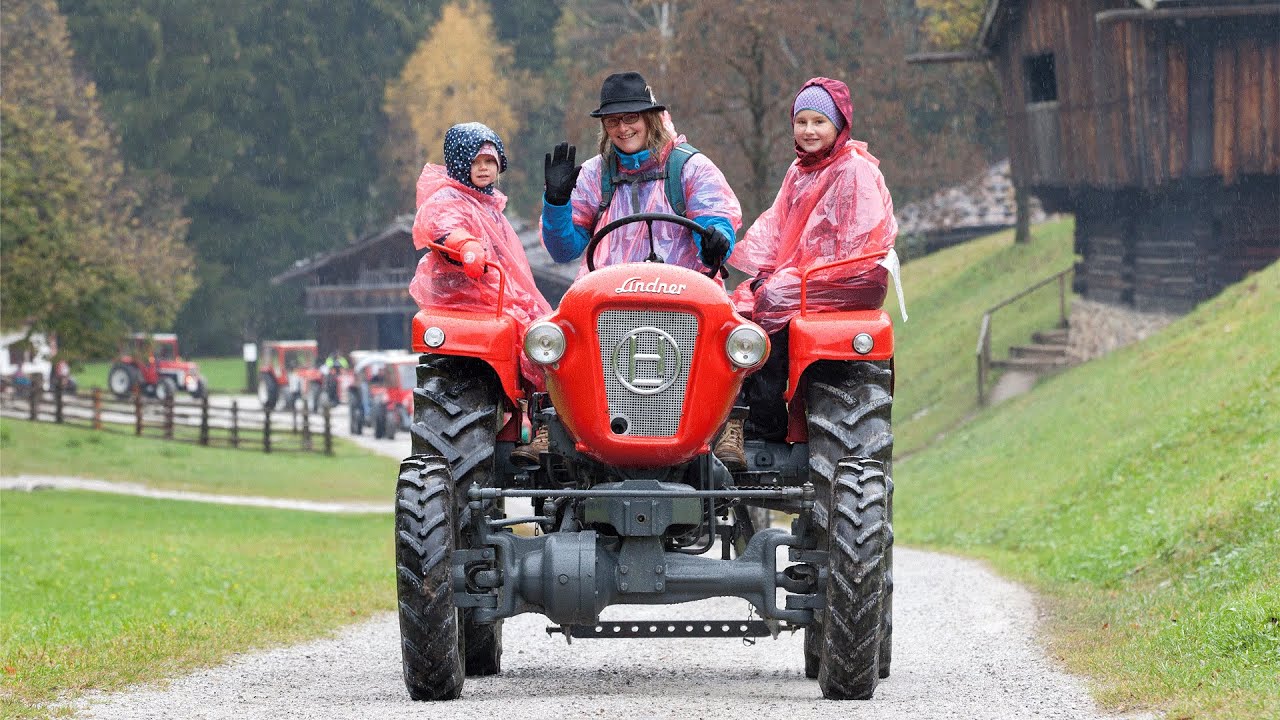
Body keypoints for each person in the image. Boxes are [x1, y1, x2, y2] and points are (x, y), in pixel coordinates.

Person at [717, 77, 902, 469]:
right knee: (735, 306)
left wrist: (786, 278)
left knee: (773, 297)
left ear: (839, 125)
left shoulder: (854, 171)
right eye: (801, 121)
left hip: (849, 277)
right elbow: (778, 227)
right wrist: (748, 262)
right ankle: (731, 418)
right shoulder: (799, 172)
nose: (809, 130)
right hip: (805, 276)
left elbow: (860, 241)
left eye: (819, 121)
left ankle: (764, 420)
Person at [408, 122, 553, 460]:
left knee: (551, 336)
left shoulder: (489, 206)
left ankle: (548, 423)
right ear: (460, 164)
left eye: (490, 161)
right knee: (527, 331)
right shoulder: (449, 200)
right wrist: (465, 245)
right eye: (476, 162)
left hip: (498, 292)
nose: (485, 168)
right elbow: (444, 230)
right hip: (466, 296)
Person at [540, 71, 742, 276]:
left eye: (630, 117)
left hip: (682, 298)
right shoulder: (593, 175)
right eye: (612, 120)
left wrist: (714, 245)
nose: (622, 128)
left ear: (649, 118)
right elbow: (563, 252)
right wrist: (556, 204)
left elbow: (714, 223)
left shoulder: (691, 168)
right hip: (610, 298)